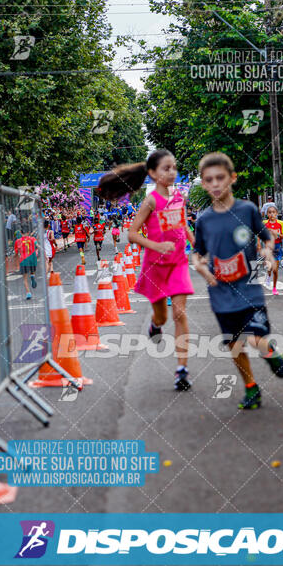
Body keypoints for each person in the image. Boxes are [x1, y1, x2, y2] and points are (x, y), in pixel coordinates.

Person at [192, 152, 283, 410]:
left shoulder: (247, 210)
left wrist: (267, 253)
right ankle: (251, 387)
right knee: (234, 344)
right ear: (203, 183)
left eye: (220, 178)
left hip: (249, 288)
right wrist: (201, 268)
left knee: (256, 336)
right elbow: (197, 254)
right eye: (209, 179)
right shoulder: (204, 220)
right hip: (220, 293)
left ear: (232, 178)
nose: (215, 184)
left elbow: (266, 238)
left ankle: (270, 354)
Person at [98, 149, 195, 391]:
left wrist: (197, 245)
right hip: (156, 266)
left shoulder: (180, 198)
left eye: (174, 167)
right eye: (166, 168)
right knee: (163, 317)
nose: (172, 172)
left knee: (180, 314)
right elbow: (131, 233)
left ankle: (181, 369)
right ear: (152, 174)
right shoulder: (151, 201)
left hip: (178, 264)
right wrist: (156, 245)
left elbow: (183, 224)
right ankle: (155, 324)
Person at [262, 205, 283, 295]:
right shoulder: (264, 223)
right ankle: (268, 275)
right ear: (267, 214)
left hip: (277, 247)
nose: (272, 214)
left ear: (277, 214)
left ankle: (274, 288)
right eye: (269, 212)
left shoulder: (281, 224)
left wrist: (277, 233)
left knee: (275, 269)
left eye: (273, 212)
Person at [14, 230, 38, 300]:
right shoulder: (32, 239)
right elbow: (37, 245)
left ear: (21, 233)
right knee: (32, 271)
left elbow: (16, 253)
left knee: (24, 278)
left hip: (23, 260)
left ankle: (28, 293)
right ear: (28, 232)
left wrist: (14, 258)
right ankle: (32, 276)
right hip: (32, 259)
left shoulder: (18, 241)